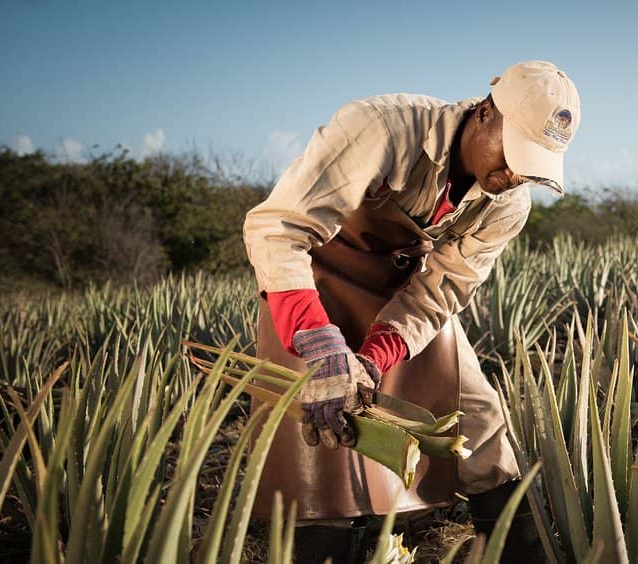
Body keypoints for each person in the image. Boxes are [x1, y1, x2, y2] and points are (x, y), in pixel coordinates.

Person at [243, 60, 580, 563]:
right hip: (314, 283)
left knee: (478, 416)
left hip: (400, 293)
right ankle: (325, 546)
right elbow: (278, 230)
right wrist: (318, 340)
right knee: (320, 429)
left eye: (531, 168)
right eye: (513, 154)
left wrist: (377, 356)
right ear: (486, 113)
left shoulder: (508, 204)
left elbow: (441, 289)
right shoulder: (381, 129)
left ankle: (518, 549)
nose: (514, 175)